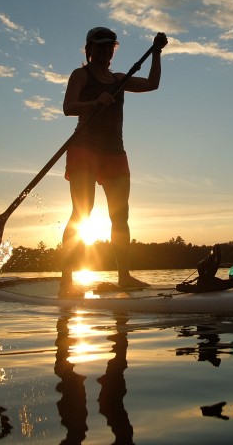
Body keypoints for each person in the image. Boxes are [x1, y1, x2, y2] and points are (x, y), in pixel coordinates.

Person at [60, 26, 168, 296]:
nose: (106, 50)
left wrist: (156, 53)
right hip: (84, 149)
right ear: (89, 49)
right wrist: (95, 102)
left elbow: (152, 84)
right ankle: (66, 282)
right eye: (100, 46)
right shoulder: (80, 74)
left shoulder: (120, 79)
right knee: (81, 214)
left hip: (114, 153)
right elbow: (68, 107)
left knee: (121, 217)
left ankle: (124, 277)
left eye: (110, 46)